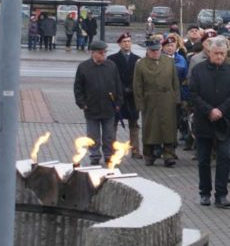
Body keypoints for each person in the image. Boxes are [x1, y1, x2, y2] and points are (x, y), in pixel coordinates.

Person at [189, 37, 230, 208]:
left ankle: (221, 194)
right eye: (216, 53)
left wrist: (221, 110)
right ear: (209, 53)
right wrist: (209, 110)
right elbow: (193, 94)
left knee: (224, 158)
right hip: (204, 121)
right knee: (203, 159)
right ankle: (204, 193)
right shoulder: (198, 70)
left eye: (222, 54)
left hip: (224, 122)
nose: (219, 56)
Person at [73, 40, 123, 166]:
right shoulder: (84, 67)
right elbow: (78, 88)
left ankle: (108, 155)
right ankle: (94, 156)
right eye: (101, 53)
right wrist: (82, 103)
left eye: (104, 53)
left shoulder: (111, 66)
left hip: (109, 107)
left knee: (109, 135)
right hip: (91, 107)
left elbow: (118, 85)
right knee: (93, 136)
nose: (103, 55)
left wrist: (118, 102)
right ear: (93, 53)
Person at [133, 37, 181, 167]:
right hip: (150, 100)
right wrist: (140, 104)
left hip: (167, 100)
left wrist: (177, 99)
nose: (155, 52)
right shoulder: (141, 64)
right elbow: (137, 86)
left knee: (169, 129)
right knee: (150, 129)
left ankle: (169, 155)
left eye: (158, 50)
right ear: (148, 50)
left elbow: (175, 81)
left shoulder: (169, 62)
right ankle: (149, 155)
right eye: (152, 50)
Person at [107, 32, 143, 159]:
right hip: (118, 96)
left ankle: (135, 150)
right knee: (113, 124)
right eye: (124, 42)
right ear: (119, 44)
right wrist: (120, 90)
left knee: (134, 124)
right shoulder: (112, 59)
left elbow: (140, 79)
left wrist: (134, 90)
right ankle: (111, 150)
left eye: (128, 41)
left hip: (132, 97)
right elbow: (111, 78)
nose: (127, 44)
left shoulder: (138, 59)